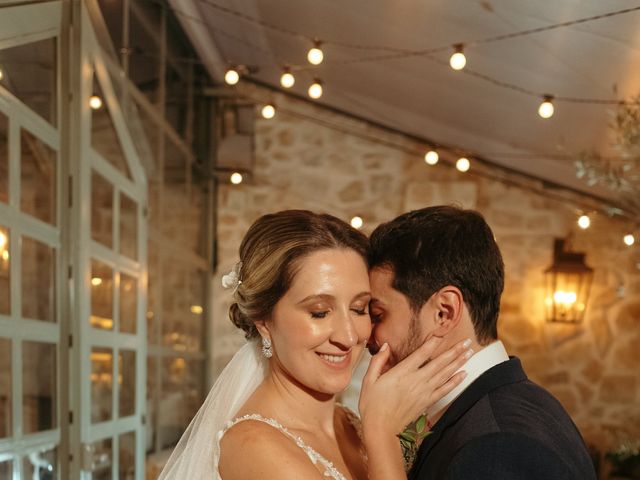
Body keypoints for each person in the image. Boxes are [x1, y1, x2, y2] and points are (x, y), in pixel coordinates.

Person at [159, 210, 472, 480]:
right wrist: (381, 433)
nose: (349, 337)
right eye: (320, 312)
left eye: (361, 309)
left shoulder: (349, 423)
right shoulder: (254, 447)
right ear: (264, 321)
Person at [367, 205, 597, 479]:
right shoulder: (511, 405)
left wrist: (379, 432)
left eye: (378, 315)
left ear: (445, 312)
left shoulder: (498, 447)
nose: (368, 337)